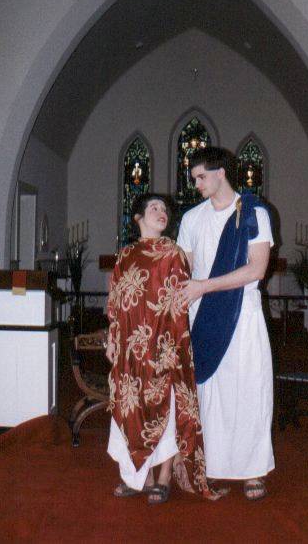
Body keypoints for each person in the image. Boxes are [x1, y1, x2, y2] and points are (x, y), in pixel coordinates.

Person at [106, 193, 224, 504]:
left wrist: (170, 345)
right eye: (154, 208)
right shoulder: (125, 255)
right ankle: (135, 476)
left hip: (164, 344)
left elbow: (180, 300)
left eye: (164, 209)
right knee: (130, 408)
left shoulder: (173, 252)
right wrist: (115, 342)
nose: (161, 213)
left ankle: (162, 477)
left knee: (166, 408)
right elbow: (115, 302)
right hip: (130, 348)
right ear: (138, 218)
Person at [177, 147, 275, 501]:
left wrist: (206, 285)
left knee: (248, 389)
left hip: (241, 314)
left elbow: (257, 269)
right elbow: (182, 268)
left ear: (221, 173)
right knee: (211, 393)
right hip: (202, 315)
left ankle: (252, 471)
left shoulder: (254, 213)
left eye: (202, 177)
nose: (197, 184)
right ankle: (212, 465)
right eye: (195, 179)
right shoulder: (191, 219)